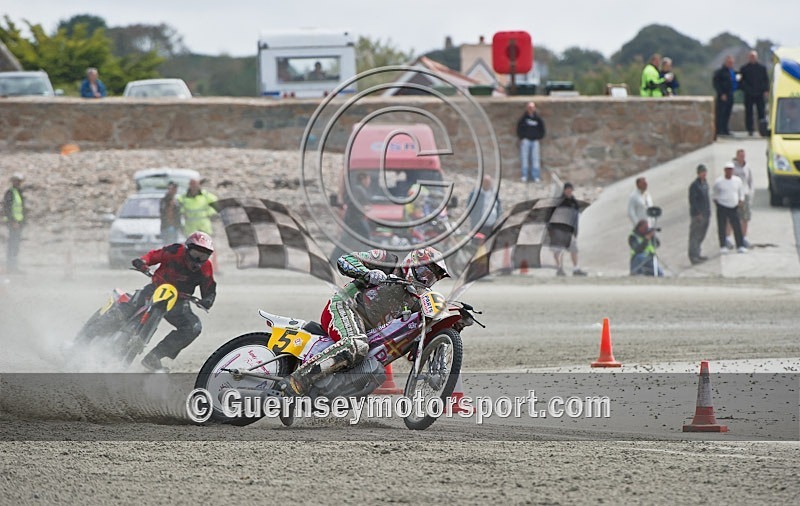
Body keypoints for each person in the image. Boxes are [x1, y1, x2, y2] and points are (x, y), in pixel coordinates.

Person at [279, 247, 449, 397]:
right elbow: (345, 260)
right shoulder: (387, 260)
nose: (425, 280)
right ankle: (297, 380)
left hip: (368, 331)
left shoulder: (416, 299)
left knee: (372, 366)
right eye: (423, 272)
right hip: (345, 306)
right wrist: (366, 273)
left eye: (431, 279)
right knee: (356, 345)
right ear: (412, 263)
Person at [130, 232, 217, 372]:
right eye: (196, 254)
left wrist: (208, 300)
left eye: (203, 256)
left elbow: (209, 288)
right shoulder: (174, 251)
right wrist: (143, 261)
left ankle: (154, 357)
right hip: (155, 289)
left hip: (178, 301)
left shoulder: (206, 267)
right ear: (187, 249)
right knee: (126, 310)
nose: (198, 259)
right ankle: (104, 324)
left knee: (193, 327)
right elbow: (153, 255)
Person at [548, 182, 587, 276]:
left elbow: (575, 217)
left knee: (573, 249)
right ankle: (559, 269)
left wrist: (575, 231)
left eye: (571, 190)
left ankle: (576, 268)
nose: (569, 191)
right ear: (564, 190)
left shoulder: (574, 203)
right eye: (568, 190)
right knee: (558, 250)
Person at [712, 162, 746, 254]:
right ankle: (723, 246)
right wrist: (718, 203)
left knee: (737, 226)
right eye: (728, 170)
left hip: (734, 206)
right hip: (722, 206)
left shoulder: (737, 180)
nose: (729, 172)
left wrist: (741, 200)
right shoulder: (719, 181)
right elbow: (714, 194)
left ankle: (740, 245)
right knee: (722, 227)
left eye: (731, 170)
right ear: (725, 170)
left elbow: (741, 191)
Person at [739, 51, 770, 136]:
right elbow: (740, 81)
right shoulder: (743, 68)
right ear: (748, 58)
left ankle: (762, 130)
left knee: (761, 113)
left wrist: (766, 90)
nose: (752, 58)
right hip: (748, 94)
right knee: (749, 113)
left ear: (756, 57)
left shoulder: (762, 68)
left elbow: (766, 80)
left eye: (754, 56)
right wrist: (746, 89)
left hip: (759, 94)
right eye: (751, 57)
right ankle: (750, 129)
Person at [516, 102, 546, 182]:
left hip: (535, 141)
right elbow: (519, 128)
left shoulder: (538, 119)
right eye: (529, 107)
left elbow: (542, 129)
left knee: (535, 159)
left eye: (532, 108)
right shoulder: (523, 119)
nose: (530, 109)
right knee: (524, 158)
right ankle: (524, 175)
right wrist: (521, 137)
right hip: (526, 140)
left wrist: (539, 137)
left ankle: (535, 176)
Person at [730, 149, 754, 248]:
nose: (742, 158)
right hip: (735, 194)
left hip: (745, 193)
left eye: (743, 156)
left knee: (745, 218)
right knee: (733, 218)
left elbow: (750, 180)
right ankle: (728, 238)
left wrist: (750, 192)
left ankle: (743, 238)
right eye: (740, 156)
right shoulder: (732, 167)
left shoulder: (747, 167)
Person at [688, 164, 711, 264]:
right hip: (698, 215)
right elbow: (693, 201)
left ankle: (698, 253)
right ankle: (693, 256)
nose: (704, 174)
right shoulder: (694, 186)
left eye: (705, 172)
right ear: (698, 173)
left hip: (706, 213)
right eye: (702, 172)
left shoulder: (705, 184)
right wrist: (697, 213)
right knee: (695, 236)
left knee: (701, 235)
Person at [3, 173, 25, 274]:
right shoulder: (10, 193)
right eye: (16, 181)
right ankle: (10, 267)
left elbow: (21, 208)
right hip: (13, 223)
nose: (18, 183)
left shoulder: (19, 192)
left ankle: (14, 267)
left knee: (16, 246)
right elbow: (7, 208)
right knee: (12, 246)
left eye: (19, 181)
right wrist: (13, 221)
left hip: (19, 223)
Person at [343, 172, 372, 243]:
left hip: (354, 218)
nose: (369, 182)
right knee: (366, 237)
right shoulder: (359, 190)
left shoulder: (358, 189)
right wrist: (364, 208)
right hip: (356, 218)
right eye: (368, 179)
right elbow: (353, 203)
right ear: (363, 180)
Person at [712, 55, 737, 136]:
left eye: (731, 62)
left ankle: (725, 129)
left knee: (727, 113)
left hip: (730, 94)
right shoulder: (720, 72)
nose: (730, 64)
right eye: (729, 62)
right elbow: (716, 84)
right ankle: (719, 129)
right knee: (721, 113)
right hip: (722, 96)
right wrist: (721, 93)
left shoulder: (732, 71)